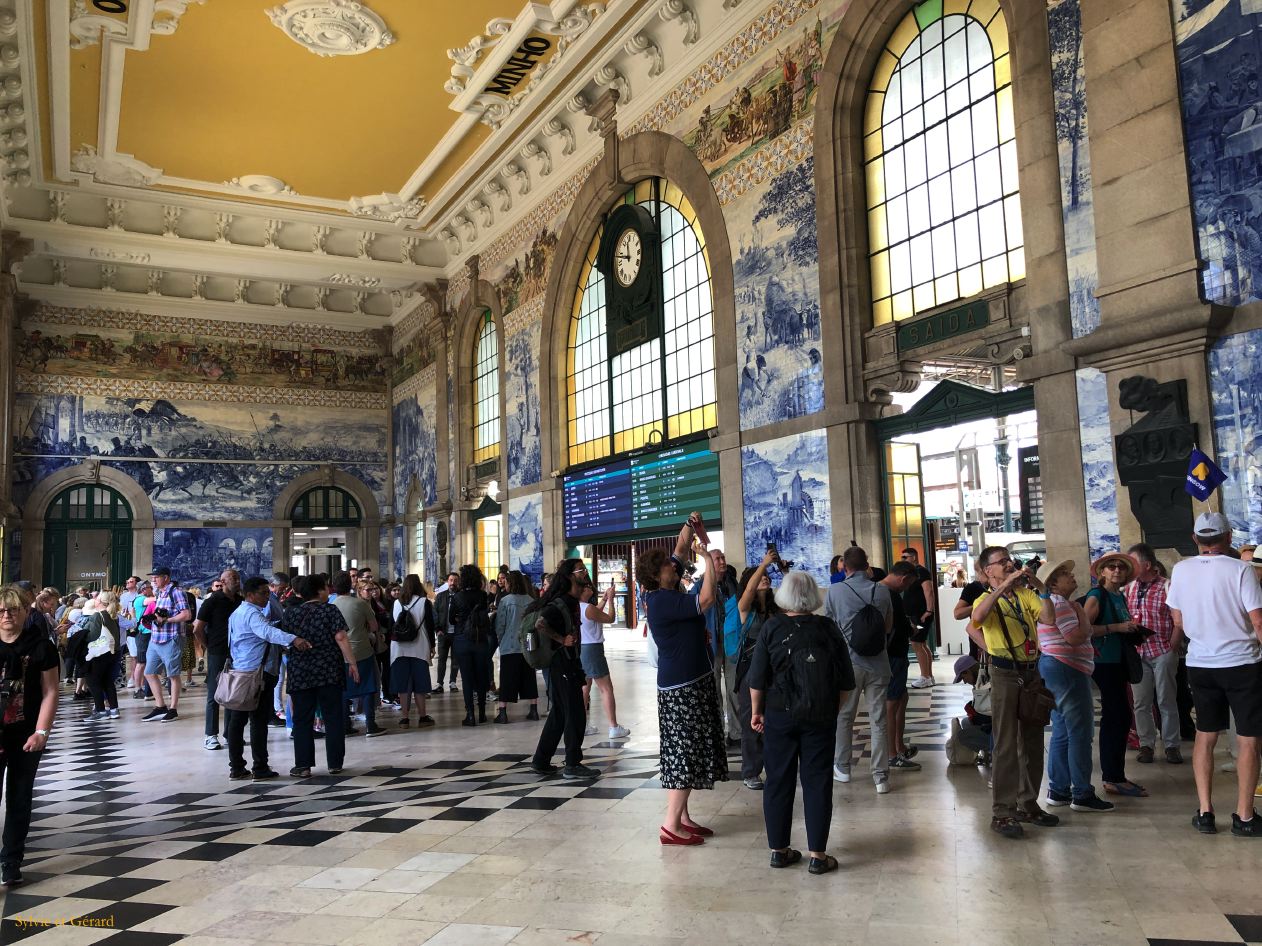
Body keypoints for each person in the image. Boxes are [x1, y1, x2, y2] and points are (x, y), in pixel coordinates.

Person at [747, 571, 854, 874]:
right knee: (817, 780)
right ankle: (818, 856)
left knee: (778, 779)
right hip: (820, 716)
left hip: (780, 714)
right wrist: (831, 708)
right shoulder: (828, 628)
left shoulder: (772, 627)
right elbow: (847, 681)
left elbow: (757, 678)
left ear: (783, 595)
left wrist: (757, 711)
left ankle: (779, 851)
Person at [1167, 512, 1262, 836]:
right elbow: (1258, 622)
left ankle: (1206, 811)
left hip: (1200, 664)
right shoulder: (1241, 570)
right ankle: (1244, 816)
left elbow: (1178, 618)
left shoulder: (1180, 570)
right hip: (1242, 663)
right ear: (1229, 536)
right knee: (1248, 739)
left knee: (1206, 736)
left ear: (1195, 539)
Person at [641, 517, 727, 844]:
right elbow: (704, 600)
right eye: (666, 567)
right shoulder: (662, 600)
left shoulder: (668, 585)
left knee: (687, 750)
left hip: (692, 678)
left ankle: (684, 817)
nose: (673, 566)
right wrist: (706, 558)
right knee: (684, 752)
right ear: (656, 575)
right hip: (682, 688)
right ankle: (670, 826)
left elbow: (678, 549)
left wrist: (690, 525)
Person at [971, 545, 1057, 839]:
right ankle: (1003, 812)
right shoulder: (985, 598)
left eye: (1009, 559)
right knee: (1006, 743)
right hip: (1005, 673)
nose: (1009, 564)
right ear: (988, 571)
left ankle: (1028, 803)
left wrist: (1041, 587)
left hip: (1031, 672)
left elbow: (1048, 619)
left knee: (1032, 741)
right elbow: (978, 619)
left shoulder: (1025, 595)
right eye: (1001, 561)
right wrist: (1002, 588)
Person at [1035, 559, 1114, 812]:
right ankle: (1081, 792)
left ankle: (1058, 790)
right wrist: (1083, 617)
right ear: (1054, 584)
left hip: (1056, 667)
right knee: (1080, 732)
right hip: (1067, 669)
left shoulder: (1053, 604)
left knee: (1062, 730)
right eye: (1065, 574)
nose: (1072, 576)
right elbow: (1074, 637)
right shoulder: (1063, 606)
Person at [0, 586, 60, 888]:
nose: (7, 615)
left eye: (13, 609)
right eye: (1, 611)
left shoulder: (41, 647)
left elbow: (50, 692)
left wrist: (41, 731)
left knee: (19, 798)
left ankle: (11, 860)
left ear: (25, 611)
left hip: (25, 735)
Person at [225, 577, 311, 781]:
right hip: (257, 674)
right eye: (263, 593)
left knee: (237, 721)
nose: (267, 597)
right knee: (258, 721)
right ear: (250, 595)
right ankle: (260, 766)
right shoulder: (252, 613)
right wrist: (294, 639)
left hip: (241, 670)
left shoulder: (239, 612)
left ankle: (236, 767)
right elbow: (266, 632)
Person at [826, 546, 892, 794]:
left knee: (844, 716)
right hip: (879, 663)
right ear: (867, 566)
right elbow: (887, 627)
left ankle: (842, 768)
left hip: (849, 664)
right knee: (878, 720)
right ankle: (881, 776)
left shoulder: (835, 591)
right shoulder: (882, 590)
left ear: (845, 568)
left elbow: (831, 629)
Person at [1082, 552, 1147, 799]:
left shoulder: (1118, 596)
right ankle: (1112, 777)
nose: (1117, 570)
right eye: (1112, 567)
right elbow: (1085, 629)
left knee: (1120, 716)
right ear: (1102, 572)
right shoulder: (1097, 595)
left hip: (1117, 659)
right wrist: (1116, 628)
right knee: (1116, 716)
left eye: (1121, 567)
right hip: (1103, 661)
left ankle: (1116, 775)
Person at [283, 575, 357, 778]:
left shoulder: (291, 613)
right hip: (328, 671)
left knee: (302, 719)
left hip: (300, 673)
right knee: (333, 717)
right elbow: (341, 637)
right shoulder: (330, 610)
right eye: (326, 588)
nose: (328, 591)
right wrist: (352, 663)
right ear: (319, 591)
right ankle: (334, 763)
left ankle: (303, 765)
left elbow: (285, 640)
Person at [528, 573, 598, 780]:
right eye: (579, 582)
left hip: (564, 664)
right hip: (561, 664)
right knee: (575, 712)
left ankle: (541, 759)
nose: (584, 586)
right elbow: (541, 624)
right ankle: (573, 764)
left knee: (559, 713)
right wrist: (562, 639)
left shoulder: (569, 603)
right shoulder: (560, 604)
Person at [1126, 543, 1183, 765]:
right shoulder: (1130, 588)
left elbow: (1178, 620)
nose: (1130, 567)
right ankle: (1146, 745)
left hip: (1162, 650)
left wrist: (1172, 646)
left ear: (1147, 565)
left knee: (1166, 699)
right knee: (1141, 702)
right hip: (1138, 652)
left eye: (1134, 562)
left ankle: (1171, 745)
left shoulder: (1167, 586)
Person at [731, 551, 781, 789]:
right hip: (750, 671)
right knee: (751, 721)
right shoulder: (745, 610)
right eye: (758, 576)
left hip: (774, 670)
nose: (764, 578)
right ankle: (751, 771)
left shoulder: (775, 609)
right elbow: (749, 593)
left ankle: (774, 767)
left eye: (766, 576)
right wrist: (763, 565)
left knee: (774, 719)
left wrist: (781, 568)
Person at [193, 569, 241, 751]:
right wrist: (209, 646)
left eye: (238, 578)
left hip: (236, 652)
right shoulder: (212, 601)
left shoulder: (239, 601)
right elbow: (197, 629)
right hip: (217, 652)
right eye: (233, 578)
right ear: (223, 581)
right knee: (214, 693)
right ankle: (210, 734)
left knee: (233, 694)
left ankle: (230, 733)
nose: (237, 581)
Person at [331, 571, 383, 737]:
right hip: (361, 650)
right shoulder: (360, 604)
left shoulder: (331, 605)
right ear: (351, 585)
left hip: (341, 653)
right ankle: (370, 725)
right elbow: (374, 626)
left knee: (343, 689)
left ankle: (345, 725)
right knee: (368, 687)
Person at [881, 562, 921, 771]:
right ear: (903, 578)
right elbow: (899, 626)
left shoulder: (876, 589)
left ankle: (898, 746)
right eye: (908, 584)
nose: (906, 589)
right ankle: (892, 754)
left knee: (900, 698)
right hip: (893, 654)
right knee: (892, 702)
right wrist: (911, 629)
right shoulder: (891, 594)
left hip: (887, 654)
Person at [448, 565, 497, 726]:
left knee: (467, 678)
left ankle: (470, 715)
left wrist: (459, 619)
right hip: (480, 639)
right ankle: (482, 712)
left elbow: (450, 619)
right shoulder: (482, 595)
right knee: (481, 675)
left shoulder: (457, 597)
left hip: (462, 639)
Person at [580, 581, 629, 740]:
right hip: (593, 649)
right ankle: (613, 726)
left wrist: (605, 598)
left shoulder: (578, 607)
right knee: (606, 688)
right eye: (587, 587)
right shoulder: (588, 608)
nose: (590, 589)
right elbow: (609, 618)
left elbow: (595, 612)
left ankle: (582, 725)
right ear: (582, 591)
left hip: (581, 648)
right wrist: (612, 601)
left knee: (584, 688)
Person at [141, 568, 192, 722]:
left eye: (156, 577)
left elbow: (186, 614)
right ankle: (160, 706)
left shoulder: (176, 592)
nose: (153, 580)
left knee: (173, 674)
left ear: (166, 578)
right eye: (153, 578)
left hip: (171, 638)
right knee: (149, 672)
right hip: (156, 638)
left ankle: (173, 709)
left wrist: (167, 620)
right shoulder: (159, 593)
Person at [493, 570, 540, 723]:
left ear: (510, 583)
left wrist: (500, 639)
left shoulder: (505, 601)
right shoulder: (531, 600)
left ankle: (503, 713)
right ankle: (533, 710)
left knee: (507, 678)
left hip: (509, 645)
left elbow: (500, 624)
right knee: (529, 676)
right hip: (527, 645)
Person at [390, 574, 435, 729]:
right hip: (419, 647)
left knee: (403, 684)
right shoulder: (424, 602)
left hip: (399, 649)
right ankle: (423, 717)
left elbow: (392, 624)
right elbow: (430, 626)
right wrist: (433, 646)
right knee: (420, 683)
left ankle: (404, 718)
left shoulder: (396, 603)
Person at [78, 594, 121, 721]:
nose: (94, 600)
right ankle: (114, 709)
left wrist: (82, 634)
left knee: (93, 681)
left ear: (101, 602)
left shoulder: (97, 616)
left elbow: (94, 636)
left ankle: (101, 711)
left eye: (97, 598)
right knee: (108, 681)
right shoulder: (113, 616)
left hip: (100, 653)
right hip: (112, 652)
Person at [900, 548, 937, 688]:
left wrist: (928, 610)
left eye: (905, 557)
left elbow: (929, 591)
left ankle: (925, 676)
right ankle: (929, 676)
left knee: (917, 644)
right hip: (916, 615)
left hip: (921, 615)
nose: (903, 559)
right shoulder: (912, 573)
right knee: (921, 644)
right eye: (902, 557)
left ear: (914, 557)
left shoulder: (921, 572)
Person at [946, 655, 993, 763]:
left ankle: (995, 751)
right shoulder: (982, 681)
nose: (965, 682)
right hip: (991, 726)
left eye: (963, 678)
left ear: (968, 671)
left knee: (962, 736)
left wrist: (976, 716)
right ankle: (989, 752)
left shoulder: (986, 684)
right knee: (966, 722)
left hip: (999, 731)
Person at [433, 572, 460, 692]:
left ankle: (453, 682)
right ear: (447, 582)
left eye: (455, 580)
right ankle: (439, 683)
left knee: (456, 658)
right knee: (442, 659)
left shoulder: (461, 596)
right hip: (443, 632)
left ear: (458, 582)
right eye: (450, 580)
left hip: (457, 633)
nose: (452, 583)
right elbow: (435, 613)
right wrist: (438, 629)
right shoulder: (440, 596)